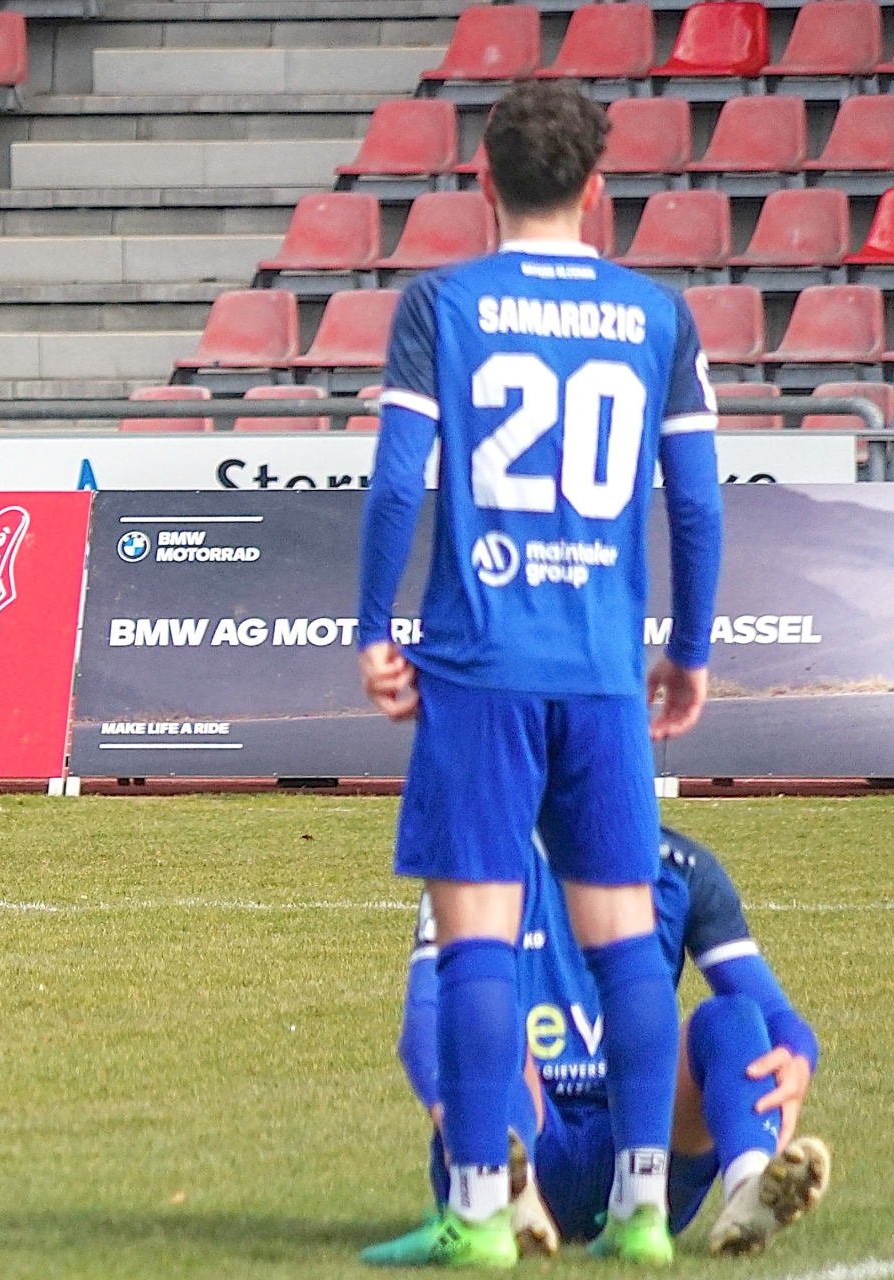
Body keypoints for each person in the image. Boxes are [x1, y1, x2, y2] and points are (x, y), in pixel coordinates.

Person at [355, 80, 725, 1266]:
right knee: (625, 942)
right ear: (599, 192)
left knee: (476, 940)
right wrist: (692, 648)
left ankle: (474, 1208)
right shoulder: (657, 313)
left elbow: (399, 481)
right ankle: (643, 1209)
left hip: (481, 666)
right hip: (604, 669)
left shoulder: (441, 302)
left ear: (483, 184)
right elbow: (700, 502)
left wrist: (376, 627)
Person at [368, 827, 830, 1264]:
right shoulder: (481, 863)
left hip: (645, 1143)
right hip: (530, 1125)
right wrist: (458, 1121)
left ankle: (751, 1188)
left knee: (732, 1017)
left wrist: (798, 1058)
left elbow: (774, 1014)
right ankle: (510, 1184)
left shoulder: (681, 867)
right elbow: (425, 1025)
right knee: (485, 1015)